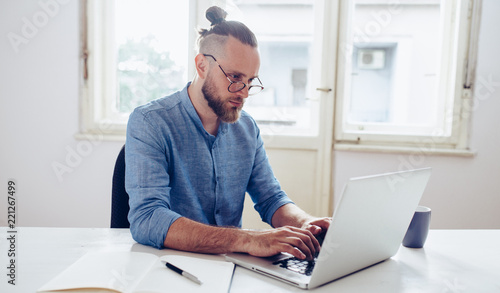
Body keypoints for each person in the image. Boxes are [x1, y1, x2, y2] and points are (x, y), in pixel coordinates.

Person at [125, 6, 331, 261]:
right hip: (169, 266)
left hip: (230, 266)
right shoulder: (150, 122)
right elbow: (147, 219)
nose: (243, 92)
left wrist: (307, 223)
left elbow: (270, 198)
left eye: (251, 81)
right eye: (235, 77)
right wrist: (247, 239)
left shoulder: (247, 128)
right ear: (202, 65)